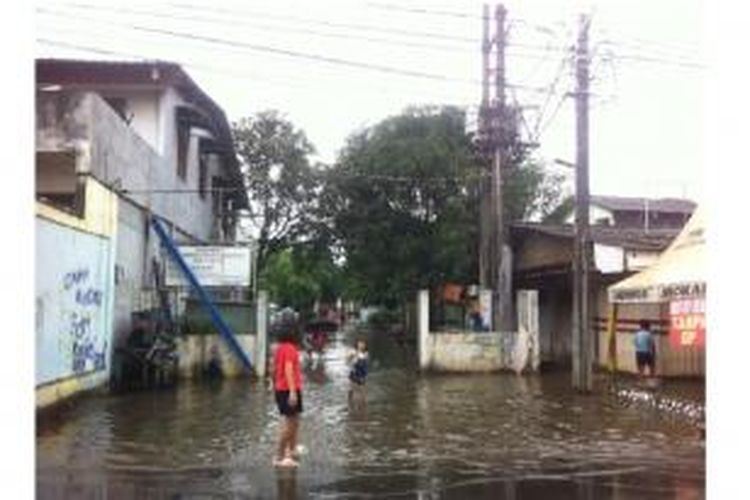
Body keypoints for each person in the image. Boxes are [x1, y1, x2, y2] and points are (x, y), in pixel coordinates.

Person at [273, 318, 304, 468]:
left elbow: (275, 369)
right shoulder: (290, 349)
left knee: (295, 422)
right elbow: (288, 369)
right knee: (290, 425)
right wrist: (292, 392)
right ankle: (279, 456)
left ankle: (292, 451)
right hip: (287, 390)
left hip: (286, 388)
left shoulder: (281, 347)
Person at [347, 338, 369, 409]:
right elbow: (348, 360)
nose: (361, 345)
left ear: (365, 345)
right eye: (360, 343)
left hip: (362, 373)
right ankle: (350, 402)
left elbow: (365, 363)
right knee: (352, 389)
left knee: (362, 389)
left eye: (363, 344)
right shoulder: (353, 351)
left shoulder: (366, 353)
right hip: (354, 372)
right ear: (357, 344)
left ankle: (363, 404)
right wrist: (352, 356)